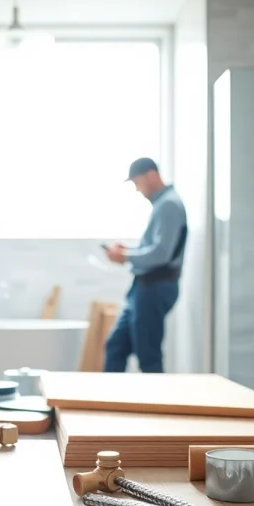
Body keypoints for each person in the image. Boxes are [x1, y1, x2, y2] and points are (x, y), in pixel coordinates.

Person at [102, 157, 187, 373]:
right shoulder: (162, 204)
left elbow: (161, 253)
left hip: (154, 288)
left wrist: (126, 256)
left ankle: (158, 405)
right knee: (116, 346)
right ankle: (110, 403)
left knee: (148, 357)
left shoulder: (168, 204)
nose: (137, 190)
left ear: (151, 175)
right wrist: (127, 251)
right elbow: (153, 246)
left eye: (137, 183)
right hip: (143, 288)